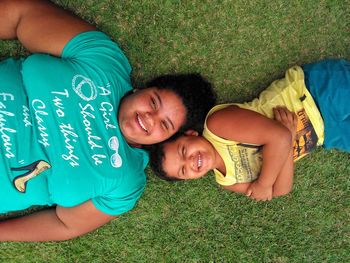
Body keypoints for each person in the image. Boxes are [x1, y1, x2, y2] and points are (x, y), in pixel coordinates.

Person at [0, 0, 216, 241]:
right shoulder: (104, 62)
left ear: (165, 139)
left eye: (165, 125)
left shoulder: (126, 182)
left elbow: (64, 224)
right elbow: (21, 16)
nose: (150, 118)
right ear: (140, 90)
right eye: (153, 102)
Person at [149, 59, 350, 202]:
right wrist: (289, 143)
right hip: (326, 134)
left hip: (314, 94)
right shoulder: (227, 182)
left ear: (191, 134)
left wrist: (263, 184)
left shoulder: (217, 125)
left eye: (183, 151)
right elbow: (281, 190)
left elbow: (278, 136)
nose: (190, 162)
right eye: (183, 171)